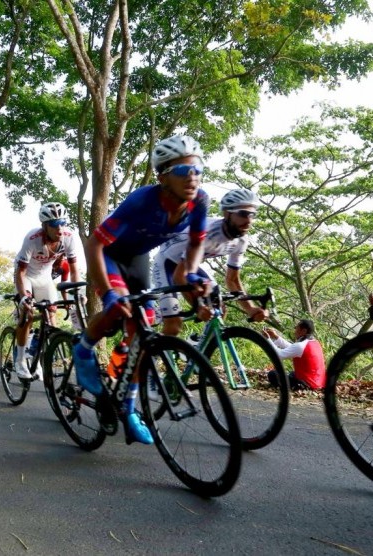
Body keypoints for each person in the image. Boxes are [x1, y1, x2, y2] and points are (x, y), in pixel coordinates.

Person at [72, 134, 210, 444]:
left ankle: (128, 406)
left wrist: (190, 273)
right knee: (116, 305)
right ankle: (82, 350)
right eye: (181, 171)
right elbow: (95, 243)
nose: (192, 178)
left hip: (138, 259)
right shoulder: (142, 201)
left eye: (197, 170)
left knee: (144, 329)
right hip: (109, 255)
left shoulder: (199, 200)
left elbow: (196, 244)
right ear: (162, 177)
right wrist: (107, 292)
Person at [153, 188, 268, 335]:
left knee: (218, 309)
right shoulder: (208, 234)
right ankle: (147, 354)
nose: (249, 220)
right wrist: (197, 306)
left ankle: (198, 347)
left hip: (189, 267)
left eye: (252, 214)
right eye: (243, 214)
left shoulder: (241, 241)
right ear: (227, 213)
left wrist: (250, 308)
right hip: (167, 265)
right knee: (173, 326)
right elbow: (179, 276)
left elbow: (232, 280)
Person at [13, 202, 81, 379]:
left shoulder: (68, 237)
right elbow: (20, 272)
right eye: (54, 225)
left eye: (63, 223)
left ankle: (40, 359)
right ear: (44, 226)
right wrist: (23, 298)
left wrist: (78, 293)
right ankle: (20, 361)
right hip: (27, 276)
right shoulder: (32, 238)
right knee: (27, 314)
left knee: (51, 320)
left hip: (44, 278)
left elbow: (74, 270)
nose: (60, 228)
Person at [264, 319, 326, 391]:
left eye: (297, 328)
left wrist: (267, 339)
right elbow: (292, 348)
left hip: (307, 384)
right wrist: (275, 337)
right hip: (318, 382)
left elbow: (279, 355)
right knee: (292, 373)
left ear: (304, 331)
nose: (295, 330)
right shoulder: (315, 343)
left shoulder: (301, 346)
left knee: (272, 374)